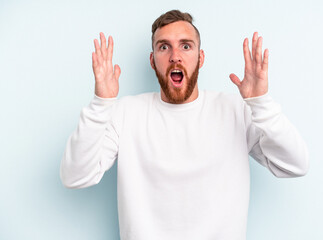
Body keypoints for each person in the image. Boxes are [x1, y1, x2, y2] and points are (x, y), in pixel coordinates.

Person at [60, 9, 309, 240]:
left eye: (186, 46)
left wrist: (261, 103)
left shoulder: (236, 110)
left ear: (200, 58)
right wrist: (101, 103)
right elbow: (75, 175)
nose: (175, 57)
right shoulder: (126, 112)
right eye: (164, 47)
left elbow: (295, 164)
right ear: (152, 60)